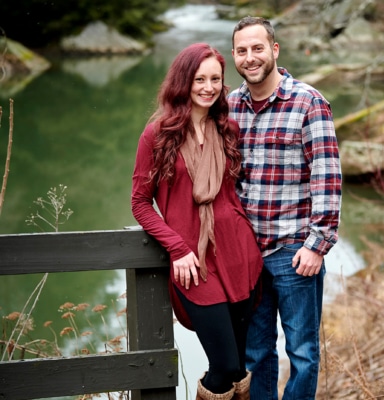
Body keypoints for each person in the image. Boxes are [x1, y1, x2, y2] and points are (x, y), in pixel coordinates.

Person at [131, 42, 263, 400]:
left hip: (239, 254)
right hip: (195, 262)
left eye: (216, 79)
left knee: (238, 367)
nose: (208, 87)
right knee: (221, 366)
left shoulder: (227, 128)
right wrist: (177, 248)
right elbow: (140, 204)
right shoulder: (158, 134)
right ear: (183, 81)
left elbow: (233, 194)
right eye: (199, 79)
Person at [228, 17, 342, 399]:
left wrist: (317, 244)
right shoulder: (229, 107)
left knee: (303, 354)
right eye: (242, 51)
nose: (250, 57)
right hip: (248, 256)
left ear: (274, 50)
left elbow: (327, 176)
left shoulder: (308, 102)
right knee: (255, 354)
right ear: (234, 56)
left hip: (295, 253)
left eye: (257, 48)